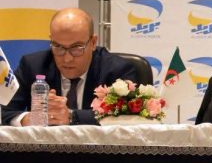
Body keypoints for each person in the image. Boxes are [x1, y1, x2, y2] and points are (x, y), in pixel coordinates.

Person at [1, 8, 137, 126]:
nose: (67, 58)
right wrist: (27, 119)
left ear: (93, 42)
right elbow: (3, 110)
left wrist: (72, 116)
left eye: (77, 47)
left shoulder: (118, 70)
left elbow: (130, 116)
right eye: (58, 47)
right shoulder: (33, 65)